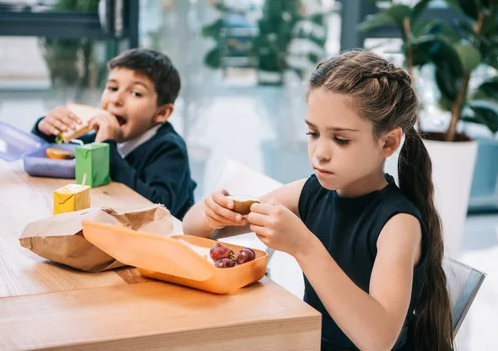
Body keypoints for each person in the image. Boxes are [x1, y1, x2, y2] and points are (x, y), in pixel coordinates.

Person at [182, 50, 453, 350]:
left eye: (341, 139)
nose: (320, 152)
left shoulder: (398, 224)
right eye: (313, 133)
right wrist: (212, 213)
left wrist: (304, 247)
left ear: (388, 142)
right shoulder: (312, 193)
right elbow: (195, 231)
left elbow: (378, 340)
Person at [33, 48, 196, 219]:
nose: (116, 99)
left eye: (136, 93)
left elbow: (159, 209)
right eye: (112, 88)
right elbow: (59, 151)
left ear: (161, 113)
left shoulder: (169, 149)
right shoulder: (101, 135)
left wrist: (107, 149)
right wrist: (45, 129)